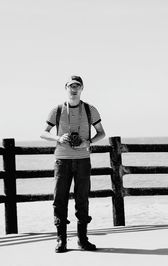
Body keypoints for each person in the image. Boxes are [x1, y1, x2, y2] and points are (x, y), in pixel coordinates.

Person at [40, 75, 106, 253]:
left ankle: (82, 240)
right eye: (71, 86)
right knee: (59, 200)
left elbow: (101, 133)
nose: (74, 89)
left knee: (82, 200)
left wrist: (88, 142)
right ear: (66, 88)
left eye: (77, 85)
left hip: (83, 160)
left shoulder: (90, 110)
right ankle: (61, 240)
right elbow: (43, 133)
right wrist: (59, 138)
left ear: (82, 88)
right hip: (62, 160)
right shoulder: (58, 110)